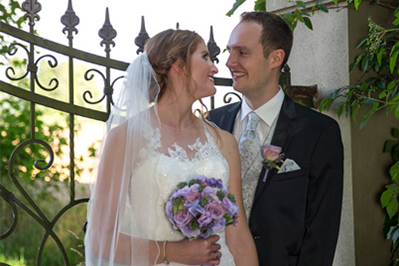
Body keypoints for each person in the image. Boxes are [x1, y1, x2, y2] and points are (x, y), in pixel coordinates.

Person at [84, 29, 258, 266]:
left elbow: (238, 238)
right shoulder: (126, 138)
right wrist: (174, 252)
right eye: (205, 57)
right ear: (178, 65)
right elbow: (99, 239)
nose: (215, 68)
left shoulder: (223, 141)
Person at [208, 12, 343, 266]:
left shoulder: (319, 132)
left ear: (275, 58)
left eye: (242, 53)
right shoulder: (213, 123)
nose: (229, 62)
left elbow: (321, 231)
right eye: (229, 51)